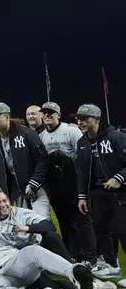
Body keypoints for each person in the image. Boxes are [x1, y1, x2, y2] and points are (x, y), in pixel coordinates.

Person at [39, 102, 95, 265]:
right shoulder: (42, 135)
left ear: (59, 115)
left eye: (51, 113)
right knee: (64, 221)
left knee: (82, 221)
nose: (47, 115)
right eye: (45, 113)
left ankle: (90, 257)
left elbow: (83, 157)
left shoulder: (71, 131)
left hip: (75, 183)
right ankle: (72, 253)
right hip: (57, 185)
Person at [75, 104, 126, 280]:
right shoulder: (81, 143)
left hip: (121, 192)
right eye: (78, 119)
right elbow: (81, 171)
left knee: (122, 229)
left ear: (97, 119)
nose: (80, 122)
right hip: (97, 192)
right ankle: (112, 265)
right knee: (101, 229)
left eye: (85, 119)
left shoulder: (116, 137)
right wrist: (82, 196)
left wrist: (119, 178)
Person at [0, 102, 50, 219]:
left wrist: (34, 182)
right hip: (10, 185)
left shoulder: (27, 133)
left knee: (41, 219)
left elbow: (43, 160)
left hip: (36, 183)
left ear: (7, 117)